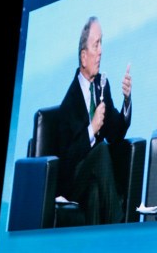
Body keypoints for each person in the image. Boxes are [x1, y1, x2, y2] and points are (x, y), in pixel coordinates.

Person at [56, 16, 133, 225]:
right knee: (100, 151)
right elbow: (67, 160)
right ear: (83, 56)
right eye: (96, 45)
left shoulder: (101, 85)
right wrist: (92, 129)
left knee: (95, 193)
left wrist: (126, 100)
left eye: (102, 44)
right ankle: (119, 224)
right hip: (73, 182)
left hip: (94, 180)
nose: (100, 51)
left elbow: (116, 134)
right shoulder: (69, 104)